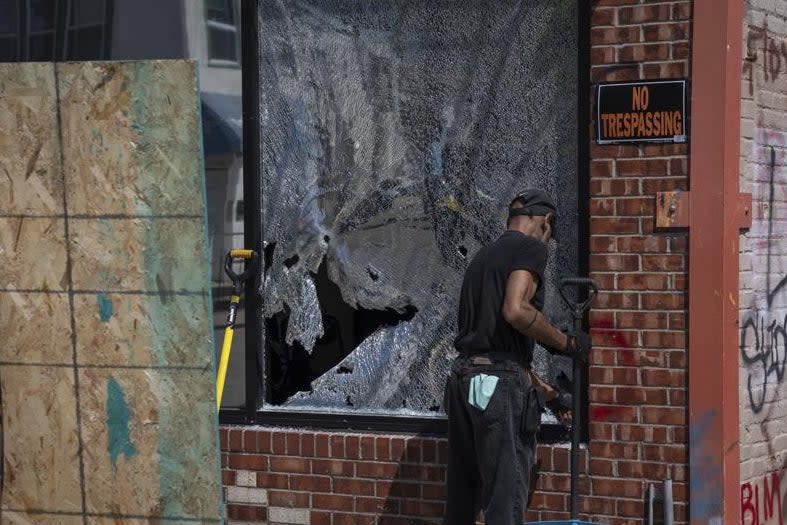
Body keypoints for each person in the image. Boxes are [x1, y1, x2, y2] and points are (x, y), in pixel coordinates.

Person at [443, 189, 592, 525]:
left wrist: (549, 394)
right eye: (550, 234)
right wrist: (566, 344)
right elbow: (516, 311)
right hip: (497, 387)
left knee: (463, 498)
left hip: (464, 381)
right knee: (505, 500)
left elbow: (494, 353)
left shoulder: (482, 258)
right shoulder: (531, 247)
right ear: (546, 221)